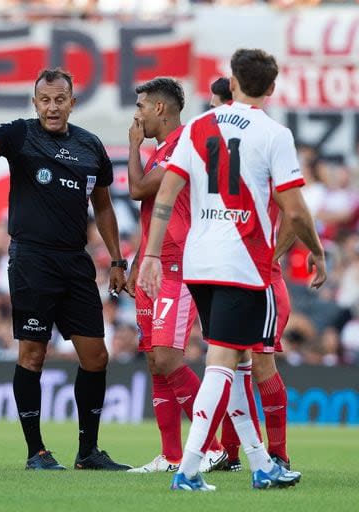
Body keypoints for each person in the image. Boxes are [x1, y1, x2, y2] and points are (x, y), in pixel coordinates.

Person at [138, 48, 326, 491]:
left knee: (238, 362)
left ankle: (262, 464)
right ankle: (187, 471)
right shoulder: (274, 133)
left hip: (197, 262)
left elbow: (165, 194)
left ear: (233, 82)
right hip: (243, 263)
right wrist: (316, 250)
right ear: (272, 87)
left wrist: (149, 254)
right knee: (225, 362)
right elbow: (295, 211)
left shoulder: (198, 127)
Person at [0, 68, 131, 471]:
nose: (53, 107)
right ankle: (35, 451)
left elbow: (104, 205)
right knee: (33, 354)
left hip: (75, 262)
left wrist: (117, 258)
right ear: (35, 102)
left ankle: (88, 452)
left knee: (96, 357)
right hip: (32, 260)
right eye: (45, 100)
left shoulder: (91, 146)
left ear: (72, 102)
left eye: (60, 99)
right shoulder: (21, 134)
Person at [124, 77, 226, 474]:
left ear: (160, 109)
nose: (138, 117)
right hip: (153, 266)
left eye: (141, 109)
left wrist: (132, 146)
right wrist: (137, 260)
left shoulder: (183, 145)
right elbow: (151, 212)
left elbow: (136, 190)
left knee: (168, 357)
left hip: (178, 267)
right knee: (154, 360)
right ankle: (170, 456)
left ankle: (211, 446)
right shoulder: (160, 151)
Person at [210, 77, 295, 471]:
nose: (211, 113)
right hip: (228, 275)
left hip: (262, 280)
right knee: (231, 363)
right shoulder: (220, 156)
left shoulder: (261, 152)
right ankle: (233, 453)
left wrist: (269, 258)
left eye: (216, 105)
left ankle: (277, 454)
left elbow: (294, 214)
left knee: (260, 365)